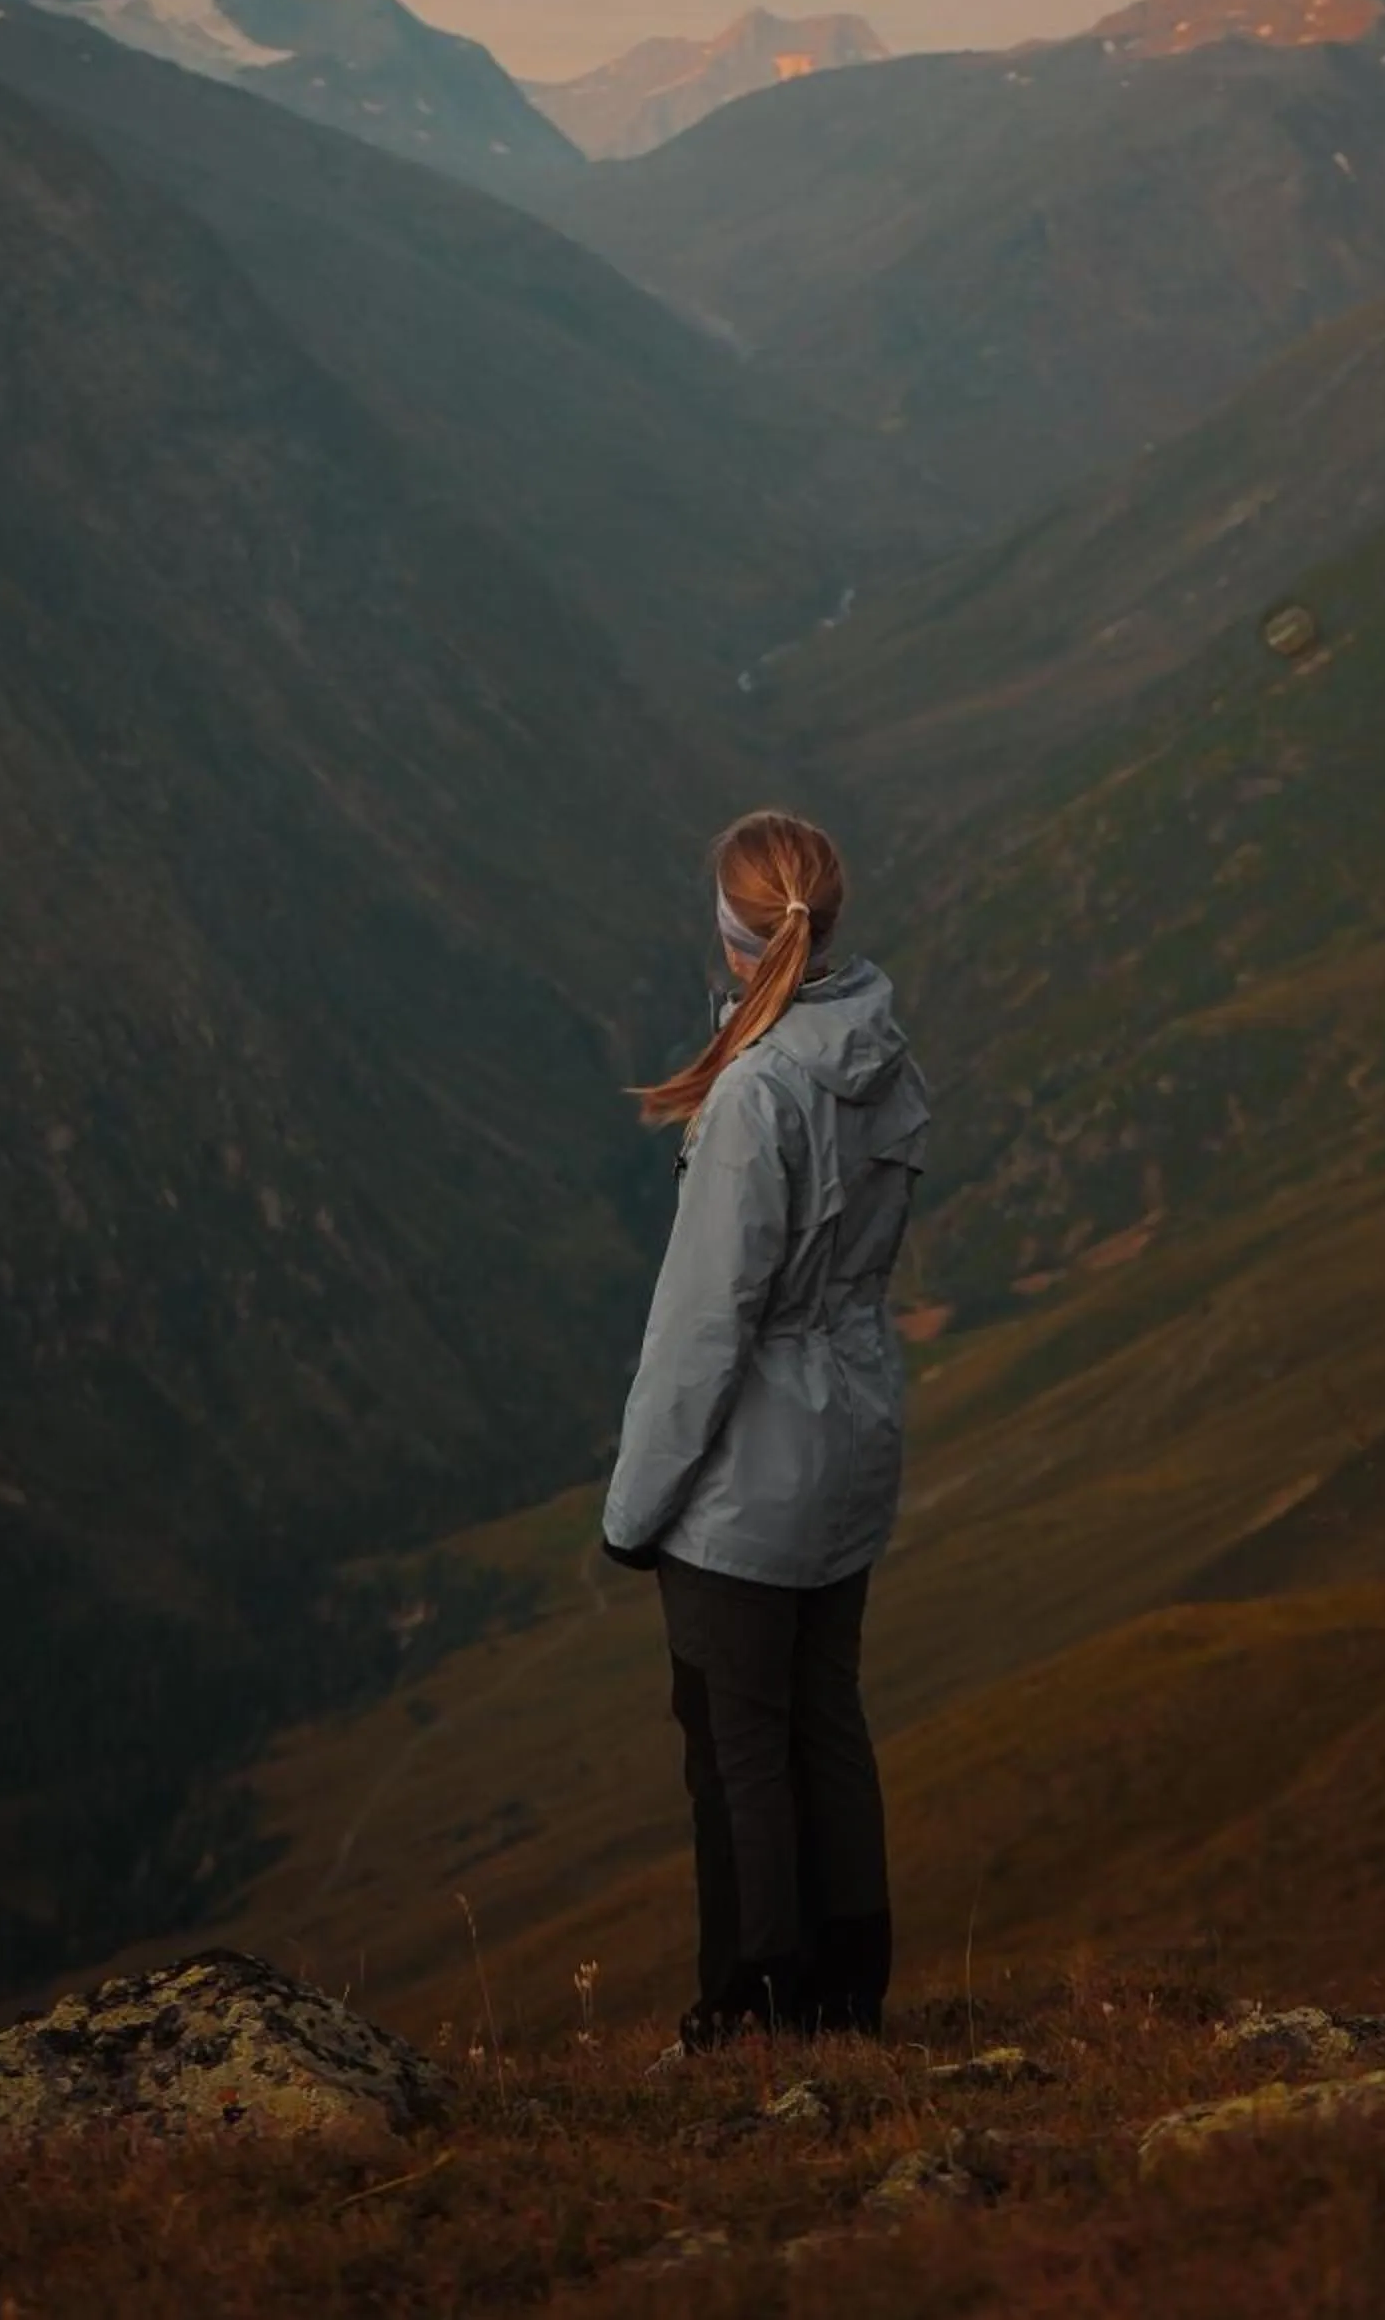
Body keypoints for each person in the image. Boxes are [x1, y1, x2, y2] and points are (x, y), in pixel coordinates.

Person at [602, 809, 929, 2049]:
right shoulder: (875, 1053)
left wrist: (633, 1511)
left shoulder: (754, 1093)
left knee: (735, 1742)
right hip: (852, 1435)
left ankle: (752, 2011)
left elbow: (702, 1331)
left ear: (731, 932)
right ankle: (847, 1993)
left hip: (751, 1475)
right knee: (823, 1716)